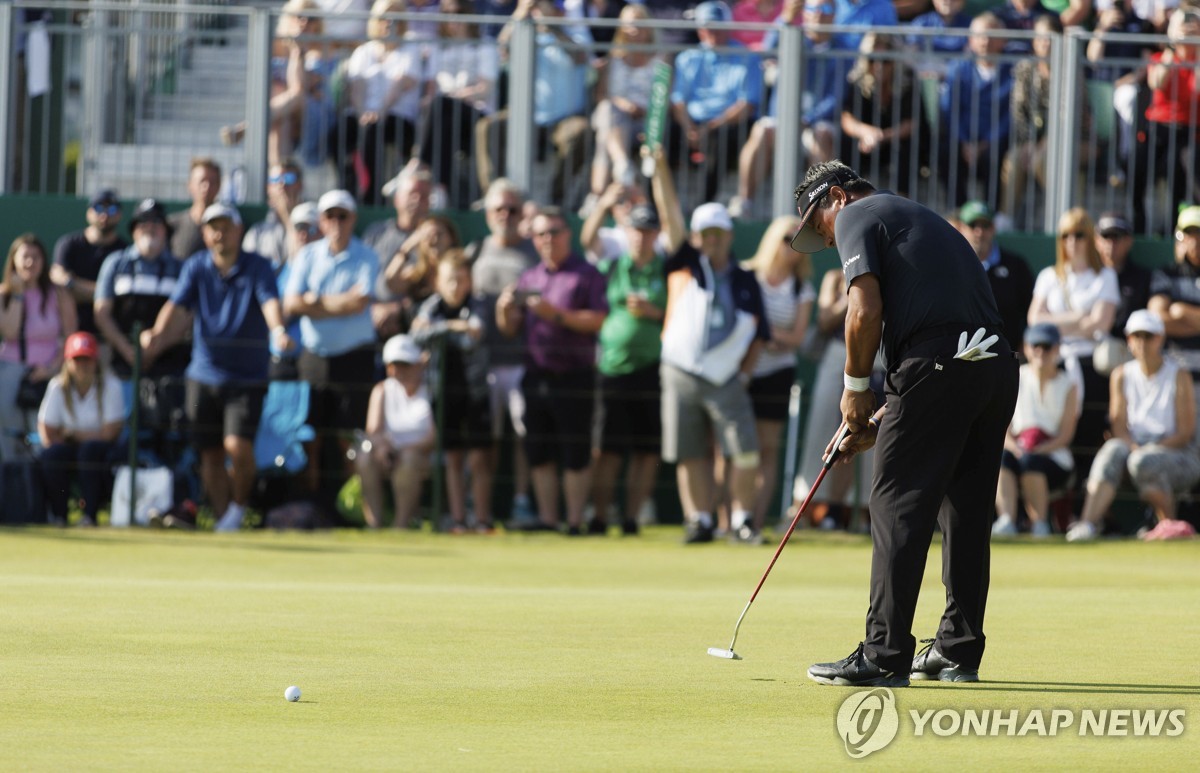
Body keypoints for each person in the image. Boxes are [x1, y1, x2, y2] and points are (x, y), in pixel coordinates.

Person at [794, 160, 1018, 687]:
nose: (825, 239)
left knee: (896, 502)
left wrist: (854, 393)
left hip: (939, 361)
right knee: (964, 511)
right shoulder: (917, 217)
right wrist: (885, 414)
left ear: (836, 197)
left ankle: (884, 653)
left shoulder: (856, 215)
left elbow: (863, 312)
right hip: (994, 365)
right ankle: (958, 650)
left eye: (817, 224)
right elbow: (941, 337)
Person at [141, 204, 293, 532]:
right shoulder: (196, 266)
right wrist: (156, 334)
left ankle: (237, 509)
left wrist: (278, 330)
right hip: (203, 375)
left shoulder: (257, 266)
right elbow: (177, 307)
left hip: (247, 378)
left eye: (225, 227)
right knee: (209, 454)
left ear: (239, 231)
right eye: (213, 227)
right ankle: (226, 520)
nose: (219, 234)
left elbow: (269, 302)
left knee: (238, 448)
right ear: (205, 233)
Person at [659, 202, 769, 544]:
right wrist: (659, 167)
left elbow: (759, 335)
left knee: (746, 450)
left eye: (718, 233)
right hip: (680, 372)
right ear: (695, 237)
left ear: (729, 235)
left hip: (727, 379)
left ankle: (741, 520)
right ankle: (700, 520)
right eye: (705, 234)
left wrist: (744, 376)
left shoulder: (747, 279)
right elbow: (668, 215)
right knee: (689, 450)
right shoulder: (684, 267)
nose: (712, 240)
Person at [496, 207, 609, 534]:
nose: (548, 239)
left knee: (576, 452)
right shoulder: (530, 277)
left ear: (568, 235)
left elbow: (598, 319)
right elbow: (510, 328)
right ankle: (548, 519)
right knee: (538, 451)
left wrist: (554, 314)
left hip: (575, 375)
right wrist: (504, 311)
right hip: (536, 375)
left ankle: (574, 521)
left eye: (554, 232)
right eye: (541, 233)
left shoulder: (586, 274)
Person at [283, 190, 380, 509]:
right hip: (313, 358)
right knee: (311, 437)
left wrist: (317, 301)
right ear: (322, 222)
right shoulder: (308, 256)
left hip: (355, 357)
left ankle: (352, 507)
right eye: (330, 216)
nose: (336, 223)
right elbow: (294, 303)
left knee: (349, 438)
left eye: (343, 216)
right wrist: (338, 302)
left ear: (352, 220)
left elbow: (359, 302)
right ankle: (310, 505)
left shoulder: (367, 255)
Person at [1068, 310, 1200, 541]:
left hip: (1180, 455)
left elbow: (1185, 433)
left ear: (1160, 338)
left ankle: (1169, 527)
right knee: (1112, 451)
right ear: (1129, 340)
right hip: (1135, 451)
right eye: (1136, 336)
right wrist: (1134, 448)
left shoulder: (1179, 375)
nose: (1142, 342)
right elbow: (1119, 426)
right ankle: (1087, 525)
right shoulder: (1120, 375)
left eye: (1148, 336)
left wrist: (1145, 451)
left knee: (1142, 462)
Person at [590, 204, 668, 537]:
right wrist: (606, 200)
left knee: (646, 451)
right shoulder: (612, 267)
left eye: (648, 230)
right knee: (606, 450)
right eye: (636, 230)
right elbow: (586, 239)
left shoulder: (666, 270)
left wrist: (654, 312)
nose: (641, 237)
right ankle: (600, 516)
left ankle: (632, 518)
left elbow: (678, 318)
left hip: (651, 369)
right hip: (612, 369)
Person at [93, 198, 189, 458]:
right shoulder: (116, 263)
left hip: (169, 371)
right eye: (144, 223)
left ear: (166, 231)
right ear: (134, 230)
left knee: (168, 439)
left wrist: (156, 348)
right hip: (123, 369)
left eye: (157, 223)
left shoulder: (181, 269)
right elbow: (102, 314)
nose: (151, 229)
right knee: (122, 435)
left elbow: (186, 317)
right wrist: (128, 351)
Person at [468, 179, 540, 524]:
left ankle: (522, 501)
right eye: (499, 209)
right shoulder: (476, 251)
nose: (506, 215)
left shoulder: (532, 254)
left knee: (523, 436)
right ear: (488, 213)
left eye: (512, 209)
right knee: (487, 438)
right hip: (483, 363)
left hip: (523, 361)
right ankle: (478, 506)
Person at [478, 0, 593, 208]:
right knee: (488, 127)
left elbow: (580, 56)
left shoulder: (576, 33)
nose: (541, 10)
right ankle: (495, 196)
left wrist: (553, 28)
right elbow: (502, 48)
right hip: (524, 117)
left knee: (580, 132)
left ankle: (556, 198)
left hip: (563, 119)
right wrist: (520, 13)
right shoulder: (521, 31)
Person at [1027, 208, 1118, 472]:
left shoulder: (1105, 276)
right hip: (1054, 363)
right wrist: (1079, 317)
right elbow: (1034, 320)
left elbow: (1099, 323)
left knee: (1087, 432)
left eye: (1079, 235)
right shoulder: (1048, 276)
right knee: (1050, 428)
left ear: (1089, 238)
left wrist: (1055, 321)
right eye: (1066, 235)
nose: (1072, 241)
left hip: (1090, 368)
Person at [742, 215, 814, 542]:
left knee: (767, 449)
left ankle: (753, 523)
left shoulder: (802, 287)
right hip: (739, 371)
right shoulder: (748, 276)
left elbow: (797, 337)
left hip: (776, 374)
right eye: (787, 238)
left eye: (798, 240)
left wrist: (767, 337)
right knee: (731, 450)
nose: (792, 246)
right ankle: (726, 521)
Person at [410, 252, 494, 532]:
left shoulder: (479, 305)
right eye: (449, 280)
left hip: (477, 389)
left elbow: (473, 336)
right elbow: (416, 336)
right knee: (453, 457)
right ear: (438, 282)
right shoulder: (432, 307)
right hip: (444, 392)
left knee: (480, 457)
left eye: (460, 280)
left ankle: (482, 521)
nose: (455, 286)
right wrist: (451, 326)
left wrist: (440, 331)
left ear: (469, 281)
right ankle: (458, 520)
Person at [1000, 14, 1094, 228]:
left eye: (1049, 38)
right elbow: (1019, 111)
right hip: (1035, 142)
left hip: (1077, 141)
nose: (1044, 44)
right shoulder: (1025, 68)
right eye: (1039, 38)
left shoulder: (1071, 70)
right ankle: (1005, 219)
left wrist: (1044, 144)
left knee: (1044, 160)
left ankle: (1065, 220)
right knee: (1014, 158)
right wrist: (1029, 143)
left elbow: (1069, 115)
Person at [667, 1, 763, 206]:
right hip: (691, 123)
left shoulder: (748, 58)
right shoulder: (687, 58)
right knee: (660, 139)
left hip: (727, 126)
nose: (712, 32)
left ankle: (702, 206)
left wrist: (708, 128)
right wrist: (689, 128)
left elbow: (747, 105)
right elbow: (678, 101)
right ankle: (655, 205)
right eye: (707, 27)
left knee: (718, 143)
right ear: (699, 30)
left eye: (718, 27)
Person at [992, 322, 1078, 538]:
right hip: (1018, 449)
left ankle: (1039, 523)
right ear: (1027, 348)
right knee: (1000, 457)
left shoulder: (1069, 385)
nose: (1040, 351)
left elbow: (1066, 434)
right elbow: (1003, 427)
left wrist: (1037, 450)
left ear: (1057, 349)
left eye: (1046, 346)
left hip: (1054, 457)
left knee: (1031, 462)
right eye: (1035, 345)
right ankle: (1007, 520)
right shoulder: (1015, 376)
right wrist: (1016, 448)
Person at [334, 0, 423, 206]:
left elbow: (400, 85)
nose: (389, 23)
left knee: (373, 131)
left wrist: (379, 111)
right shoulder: (364, 52)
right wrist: (361, 113)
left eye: (395, 18)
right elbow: (357, 87)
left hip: (398, 117)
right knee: (339, 133)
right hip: (366, 115)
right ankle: (348, 187)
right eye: (384, 18)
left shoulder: (410, 49)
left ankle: (371, 195)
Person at [0, 235, 78, 462]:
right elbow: (11, 332)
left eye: (36, 257)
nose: (30, 263)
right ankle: (15, 488)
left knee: (43, 436)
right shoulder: (4, 294)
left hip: (49, 373)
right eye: (24, 257)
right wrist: (17, 294)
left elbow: (70, 336)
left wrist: (51, 368)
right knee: (9, 435)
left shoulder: (59, 294)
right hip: (10, 371)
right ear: (13, 260)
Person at [416, 0, 500, 209]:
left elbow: (485, 88)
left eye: (458, 12)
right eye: (447, 13)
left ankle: (418, 165)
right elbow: (431, 88)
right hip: (445, 114)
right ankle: (442, 190)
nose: (453, 18)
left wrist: (455, 96)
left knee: (443, 106)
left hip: (477, 114)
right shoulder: (438, 48)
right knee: (442, 116)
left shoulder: (486, 45)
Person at [36, 332, 124, 527]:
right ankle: (59, 515)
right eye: (78, 360)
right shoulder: (58, 387)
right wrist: (66, 438)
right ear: (68, 362)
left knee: (89, 451)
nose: (83, 365)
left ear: (96, 361)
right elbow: (47, 431)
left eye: (87, 359)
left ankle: (89, 516)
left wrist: (72, 435)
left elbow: (110, 433)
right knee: (52, 454)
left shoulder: (111, 385)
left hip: (101, 451)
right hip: (69, 447)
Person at [1130, 8, 1200, 234]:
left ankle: (1173, 229)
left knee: (1180, 167)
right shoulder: (1161, 57)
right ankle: (1138, 225)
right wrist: (1173, 44)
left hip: (1189, 131)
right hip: (1157, 129)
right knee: (1137, 164)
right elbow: (1157, 82)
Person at [585, 3, 663, 207]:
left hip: (648, 122)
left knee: (605, 135)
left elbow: (664, 98)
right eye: (628, 24)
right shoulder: (613, 60)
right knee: (609, 114)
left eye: (639, 24)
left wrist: (642, 110)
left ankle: (597, 195)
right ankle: (622, 165)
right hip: (616, 117)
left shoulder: (661, 60)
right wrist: (624, 105)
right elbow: (602, 96)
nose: (634, 29)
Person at [356, 334, 435, 529]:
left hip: (420, 456)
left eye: (405, 364)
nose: (399, 371)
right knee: (364, 457)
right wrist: (383, 448)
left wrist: (404, 450)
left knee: (408, 460)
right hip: (388, 455)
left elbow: (433, 437)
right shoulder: (381, 390)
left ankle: (401, 526)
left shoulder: (432, 390)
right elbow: (372, 431)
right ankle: (374, 524)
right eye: (394, 365)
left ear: (418, 364)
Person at [938, 12, 1014, 208]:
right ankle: (959, 212)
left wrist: (986, 143)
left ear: (1002, 40)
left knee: (998, 157)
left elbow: (1010, 115)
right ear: (970, 40)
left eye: (991, 35)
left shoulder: (1012, 73)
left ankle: (992, 214)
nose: (985, 42)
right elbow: (949, 110)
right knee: (946, 153)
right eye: (980, 36)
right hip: (962, 140)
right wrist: (963, 141)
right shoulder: (957, 69)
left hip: (994, 142)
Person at [838, 32, 929, 196]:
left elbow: (913, 122)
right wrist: (866, 133)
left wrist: (882, 136)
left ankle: (902, 198)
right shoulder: (857, 80)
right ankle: (849, 196)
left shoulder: (908, 79)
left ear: (895, 60)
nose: (879, 66)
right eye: (873, 60)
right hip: (867, 143)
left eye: (885, 60)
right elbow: (847, 118)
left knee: (906, 147)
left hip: (896, 141)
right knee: (846, 143)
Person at [953, 200, 1034, 351]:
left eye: (985, 226)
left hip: (1005, 355)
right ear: (961, 228)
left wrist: (1025, 343)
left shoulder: (1016, 266)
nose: (979, 232)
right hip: (958, 356)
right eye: (973, 225)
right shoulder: (950, 266)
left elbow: (1031, 309)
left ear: (994, 228)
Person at [363, 167, 434, 337]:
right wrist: (373, 308)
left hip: (415, 323)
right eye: (412, 193)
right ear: (397, 199)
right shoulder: (376, 232)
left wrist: (399, 309)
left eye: (424, 196)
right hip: (370, 317)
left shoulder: (434, 237)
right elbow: (359, 277)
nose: (417, 200)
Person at [50, 188, 128, 336]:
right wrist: (106, 294)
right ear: (89, 213)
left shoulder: (125, 252)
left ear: (119, 215)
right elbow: (59, 286)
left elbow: (121, 295)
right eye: (98, 208)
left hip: (109, 338)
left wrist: (72, 283)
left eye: (111, 209)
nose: (104, 215)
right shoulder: (69, 244)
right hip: (70, 335)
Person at [1147, 205, 1200, 408]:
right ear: (1179, 237)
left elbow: (1169, 316)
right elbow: (1158, 319)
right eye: (1189, 233)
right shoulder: (1166, 274)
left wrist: (1181, 311)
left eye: (1199, 233)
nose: (1194, 240)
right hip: (1175, 375)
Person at [383, 214, 461, 335]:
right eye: (427, 236)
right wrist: (406, 247)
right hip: (417, 338)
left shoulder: (462, 270)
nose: (433, 240)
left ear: (451, 238)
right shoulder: (416, 274)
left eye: (439, 234)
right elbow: (390, 281)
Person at [1095, 212, 1152, 342]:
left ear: (1129, 241)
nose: (1111, 243)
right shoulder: (1086, 274)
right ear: (1096, 241)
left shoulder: (1143, 278)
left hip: (1129, 348)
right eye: (1106, 236)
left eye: (1117, 237)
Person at [242, 160, 306, 274]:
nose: (282, 184)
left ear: (300, 185)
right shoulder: (258, 231)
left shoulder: (313, 226)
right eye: (275, 180)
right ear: (268, 188)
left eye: (289, 178)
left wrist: (287, 216)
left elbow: (302, 263)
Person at [168, 157, 223, 260]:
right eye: (202, 181)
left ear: (219, 185)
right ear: (190, 185)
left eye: (212, 182)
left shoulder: (228, 227)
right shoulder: (173, 225)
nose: (206, 186)